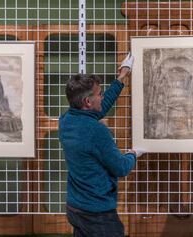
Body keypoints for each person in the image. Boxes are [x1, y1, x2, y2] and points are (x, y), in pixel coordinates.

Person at [59, 53, 145, 237]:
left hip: (75, 208)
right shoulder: (96, 131)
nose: (102, 96)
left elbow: (100, 108)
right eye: (100, 94)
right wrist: (133, 153)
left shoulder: (66, 120)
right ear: (88, 102)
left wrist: (122, 76)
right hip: (97, 214)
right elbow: (121, 168)